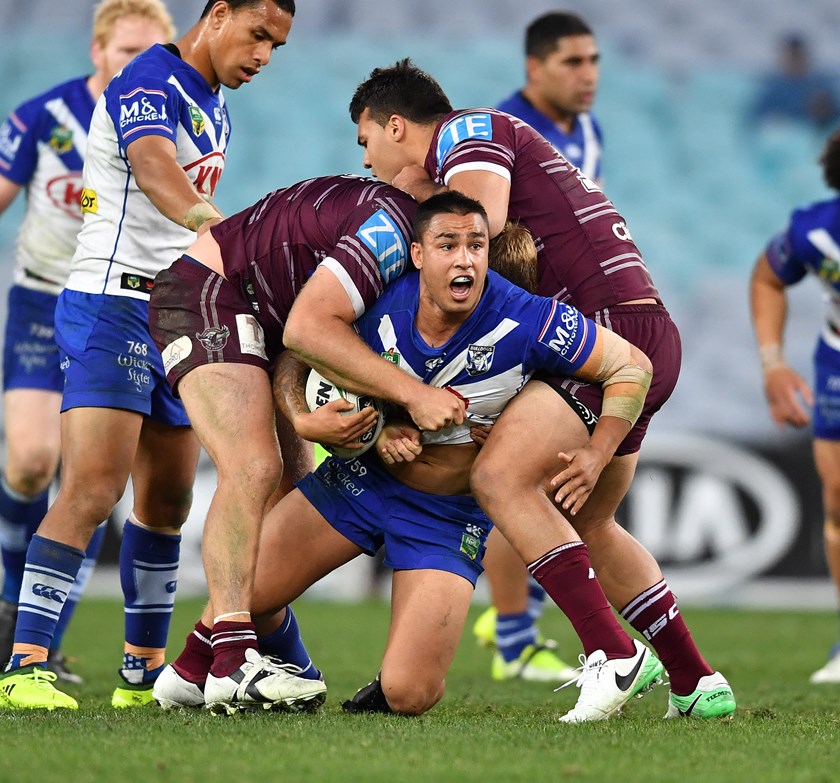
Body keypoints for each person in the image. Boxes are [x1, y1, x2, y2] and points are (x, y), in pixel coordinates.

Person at [156, 191, 664, 721]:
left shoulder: (529, 320)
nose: (464, 258)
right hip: (358, 483)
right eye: (448, 245)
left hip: (444, 518)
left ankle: (348, 676)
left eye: (476, 245)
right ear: (418, 255)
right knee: (241, 594)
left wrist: (599, 451)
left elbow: (633, 368)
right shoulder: (377, 301)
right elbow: (295, 356)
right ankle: (192, 671)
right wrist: (333, 424)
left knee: (411, 693)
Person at [339, 59, 735, 719]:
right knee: (588, 520)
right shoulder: (485, 144)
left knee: (499, 478)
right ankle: (697, 681)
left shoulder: (469, 130)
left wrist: (416, 197)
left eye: (366, 143)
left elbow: (482, 226)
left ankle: (614, 654)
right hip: (642, 333)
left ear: (396, 125)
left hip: (602, 339)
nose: (369, 161)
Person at [0, 0, 297, 713]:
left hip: (176, 311)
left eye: (277, 47)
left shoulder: (214, 104)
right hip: (110, 303)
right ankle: (25, 665)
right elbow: (155, 166)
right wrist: (217, 228)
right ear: (218, 15)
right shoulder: (148, 79)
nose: (262, 56)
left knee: (168, 498)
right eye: (257, 35)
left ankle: (143, 672)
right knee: (93, 487)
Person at [146, 173, 433, 712]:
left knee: (290, 505)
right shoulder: (393, 225)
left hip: (260, 319)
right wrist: (315, 419)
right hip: (209, 291)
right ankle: (232, 661)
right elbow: (308, 333)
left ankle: (188, 670)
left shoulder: (400, 233)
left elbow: (301, 345)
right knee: (251, 468)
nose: (364, 153)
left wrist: (311, 419)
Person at [0, 0, 175, 687]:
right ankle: (13, 603)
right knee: (32, 463)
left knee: (91, 480)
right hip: (45, 299)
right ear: (97, 52)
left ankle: (43, 640)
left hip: (132, 307)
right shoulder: (47, 114)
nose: (135, 64)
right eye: (124, 51)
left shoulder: (169, 120)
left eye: (149, 52)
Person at [475, 9, 604, 681]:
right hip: (519, 323)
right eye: (572, 62)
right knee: (514, 477)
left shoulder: (589, 131)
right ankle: (515, 638)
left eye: (594, 61)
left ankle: (517, 625)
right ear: (535, 68)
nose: (589, 75)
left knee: (535, 480)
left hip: (565, 324)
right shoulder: (504, 131)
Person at [750, 129, 840, 684]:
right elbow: (766, 279)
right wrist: (773, 364)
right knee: (837, 499)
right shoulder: (818, 230)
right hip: (837, 363)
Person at [749, 33, 840, 131]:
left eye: (800, 57)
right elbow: (757, 120)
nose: (796, 62)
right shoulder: (773, 89)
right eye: (792, 58)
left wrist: (825, 111)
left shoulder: (821, 85)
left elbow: (834, 115)